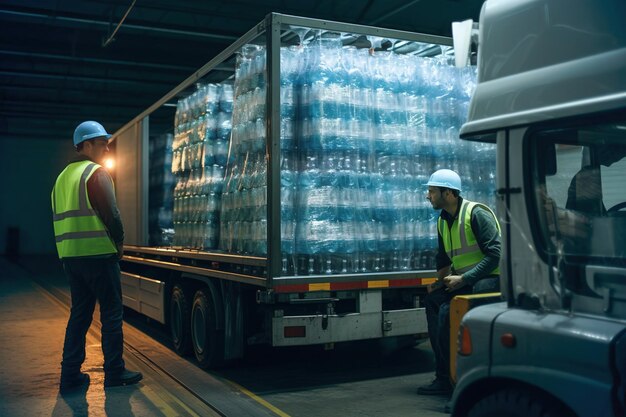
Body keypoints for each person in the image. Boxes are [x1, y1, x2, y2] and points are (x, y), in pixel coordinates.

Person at [51, 120, 143, 392]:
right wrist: (120, 241)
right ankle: (115, 372)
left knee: (79, 315)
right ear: (85, 145)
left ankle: (69, 377)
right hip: (100, 255)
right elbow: (112, 215)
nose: (106, 148)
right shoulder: (96, 173)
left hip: (71, 258)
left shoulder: (60, 179)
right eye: (101, 143)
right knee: (112, 313)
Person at [417, 169, 501, 396]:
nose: (428, 196)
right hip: (465, 282)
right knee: (433, 302)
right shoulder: (442, 221)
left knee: (447, 311)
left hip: (490, 280)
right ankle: (443, 376)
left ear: (449, 193)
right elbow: (443, 258)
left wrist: (464, 278)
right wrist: (438, 283)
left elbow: (495, 255)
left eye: (432, 191)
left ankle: (458, 382)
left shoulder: (476, 214)